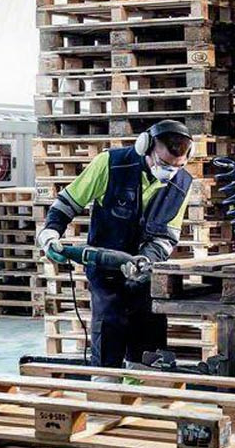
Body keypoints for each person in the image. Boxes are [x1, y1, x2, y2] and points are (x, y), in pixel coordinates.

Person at [36, 120, 195, 368]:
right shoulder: (111, 164)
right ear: (145, 147)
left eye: (177, 166)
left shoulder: (182, 183)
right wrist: (50, 234)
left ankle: (142, 387)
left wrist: (144, 261)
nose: (169, 172)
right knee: (109, 336)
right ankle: (105, 386)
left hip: (145, 276)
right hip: (105, 273)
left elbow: (167, 236)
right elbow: (68, 203)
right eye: (164, 164)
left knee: (148, 345)